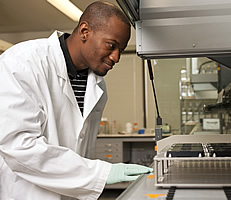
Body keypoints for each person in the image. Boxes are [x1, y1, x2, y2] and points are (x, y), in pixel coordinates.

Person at [0, 1, 152, 200]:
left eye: (121, 50)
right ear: (84, 31)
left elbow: (79, 146)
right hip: (28, 194)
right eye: (111, 46)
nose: (116, 57)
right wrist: (101, 173)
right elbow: (19, 146)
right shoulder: (22, 63)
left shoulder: (97, 85)